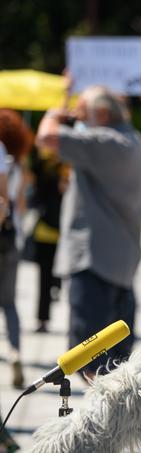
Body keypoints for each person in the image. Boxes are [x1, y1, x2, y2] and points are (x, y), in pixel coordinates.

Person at [35, 85, 141, 378]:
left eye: (80, 112)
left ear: (100, 113)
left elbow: (46, 137)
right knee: (116, 366)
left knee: (88, 363)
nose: (74, 117)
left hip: (94, 263)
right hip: (118, 264)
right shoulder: (131, 141)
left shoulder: (105, 142)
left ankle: (96, 423)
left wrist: (54, 113)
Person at [0, 110, 33, 389]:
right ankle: (15, 351)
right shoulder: (17, 167)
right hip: (10, 240)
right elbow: (19, 206)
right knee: (9, 303)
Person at [25, 145, 67, 333]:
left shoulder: (64, 167)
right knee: (45, 277)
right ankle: (43, 317)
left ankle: (43, 317)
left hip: (56, 230)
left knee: (48, 276)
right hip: (50, 230)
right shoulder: (44, 167)